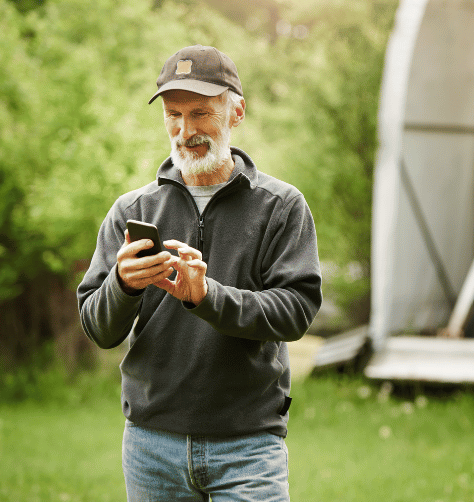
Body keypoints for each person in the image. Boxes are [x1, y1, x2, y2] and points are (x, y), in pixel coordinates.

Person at [77, 44, 322, 501]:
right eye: (173, 114)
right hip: (151, 446)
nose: (185, 130)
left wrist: (207, 296)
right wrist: (123, 284)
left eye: (200, 113)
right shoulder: (132, 210)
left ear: (236, 112)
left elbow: (296, 312)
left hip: (249, 445)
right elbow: (97, 326)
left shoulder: (281, 207)